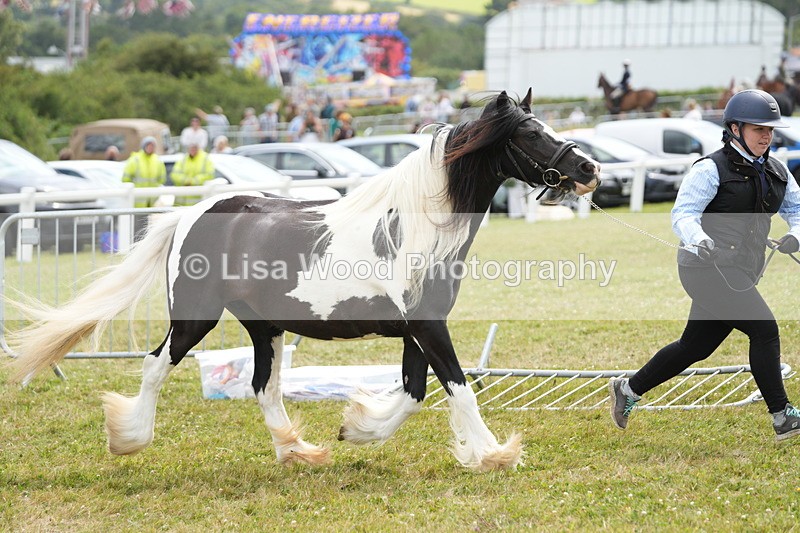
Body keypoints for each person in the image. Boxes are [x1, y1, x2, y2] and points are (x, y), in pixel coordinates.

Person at [609, 89, 800, 442]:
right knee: (764, 329)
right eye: (758, 129)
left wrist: (796, 235)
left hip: (741, 271)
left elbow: (797, 211)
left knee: (695, 346)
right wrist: (701, 240)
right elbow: (684, 213)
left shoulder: (777, 171)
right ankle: (782, 416)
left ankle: (629, 389)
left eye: (770, 130)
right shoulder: (710, 168)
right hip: (704, 269)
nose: (766, 136)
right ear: (734, 129)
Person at [122, 136, 167, 208]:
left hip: (153, 201)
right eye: (149, 145)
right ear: (144, 146)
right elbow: (125, 179)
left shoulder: (158, 160)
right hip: (138, 201)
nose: (151, 147)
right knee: (139, 219)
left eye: (153, 145)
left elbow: (162, 179)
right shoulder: (135, 159)